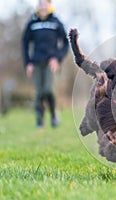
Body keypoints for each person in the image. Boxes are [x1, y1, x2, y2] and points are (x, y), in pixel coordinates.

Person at [22, 0, 69, 128]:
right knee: (39, 93)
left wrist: (57, 58)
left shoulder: (56, 22)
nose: (42, 6)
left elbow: (65, 43)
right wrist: (28, 63)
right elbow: (25, 43)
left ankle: (54, 113)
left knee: (48, 90)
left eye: (45, 4)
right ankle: (40, 119)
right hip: (36, 62)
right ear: (38, 6)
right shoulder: (32, 23)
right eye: (40, 4)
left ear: (49, 5)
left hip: (51, 63)